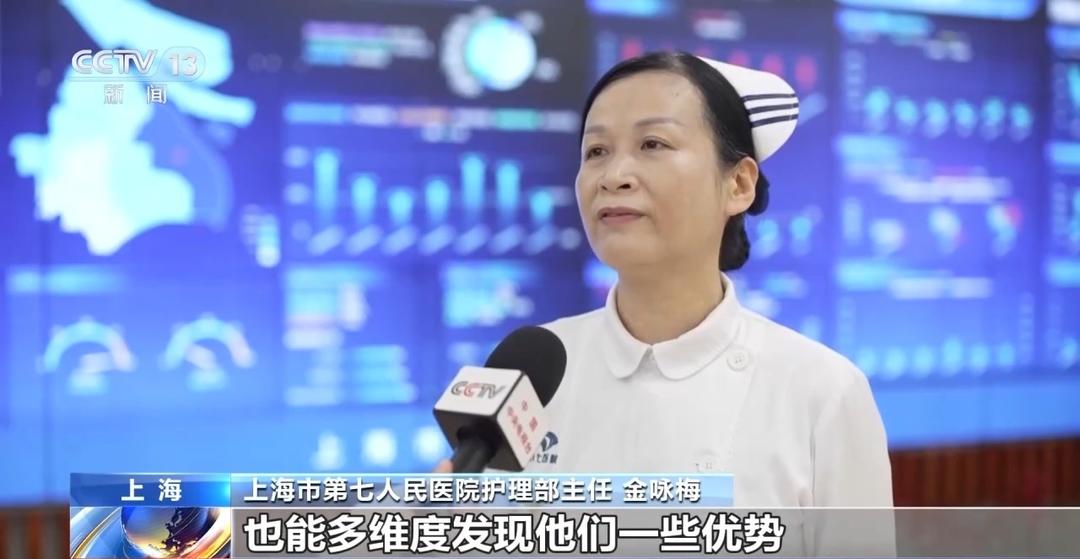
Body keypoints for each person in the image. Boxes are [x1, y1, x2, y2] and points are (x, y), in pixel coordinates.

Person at [438, 51, 893, 510]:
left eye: (653, 144)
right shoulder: (532, 370)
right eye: (596, 151)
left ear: (738, 184)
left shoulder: (822, 392)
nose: (613, 176)